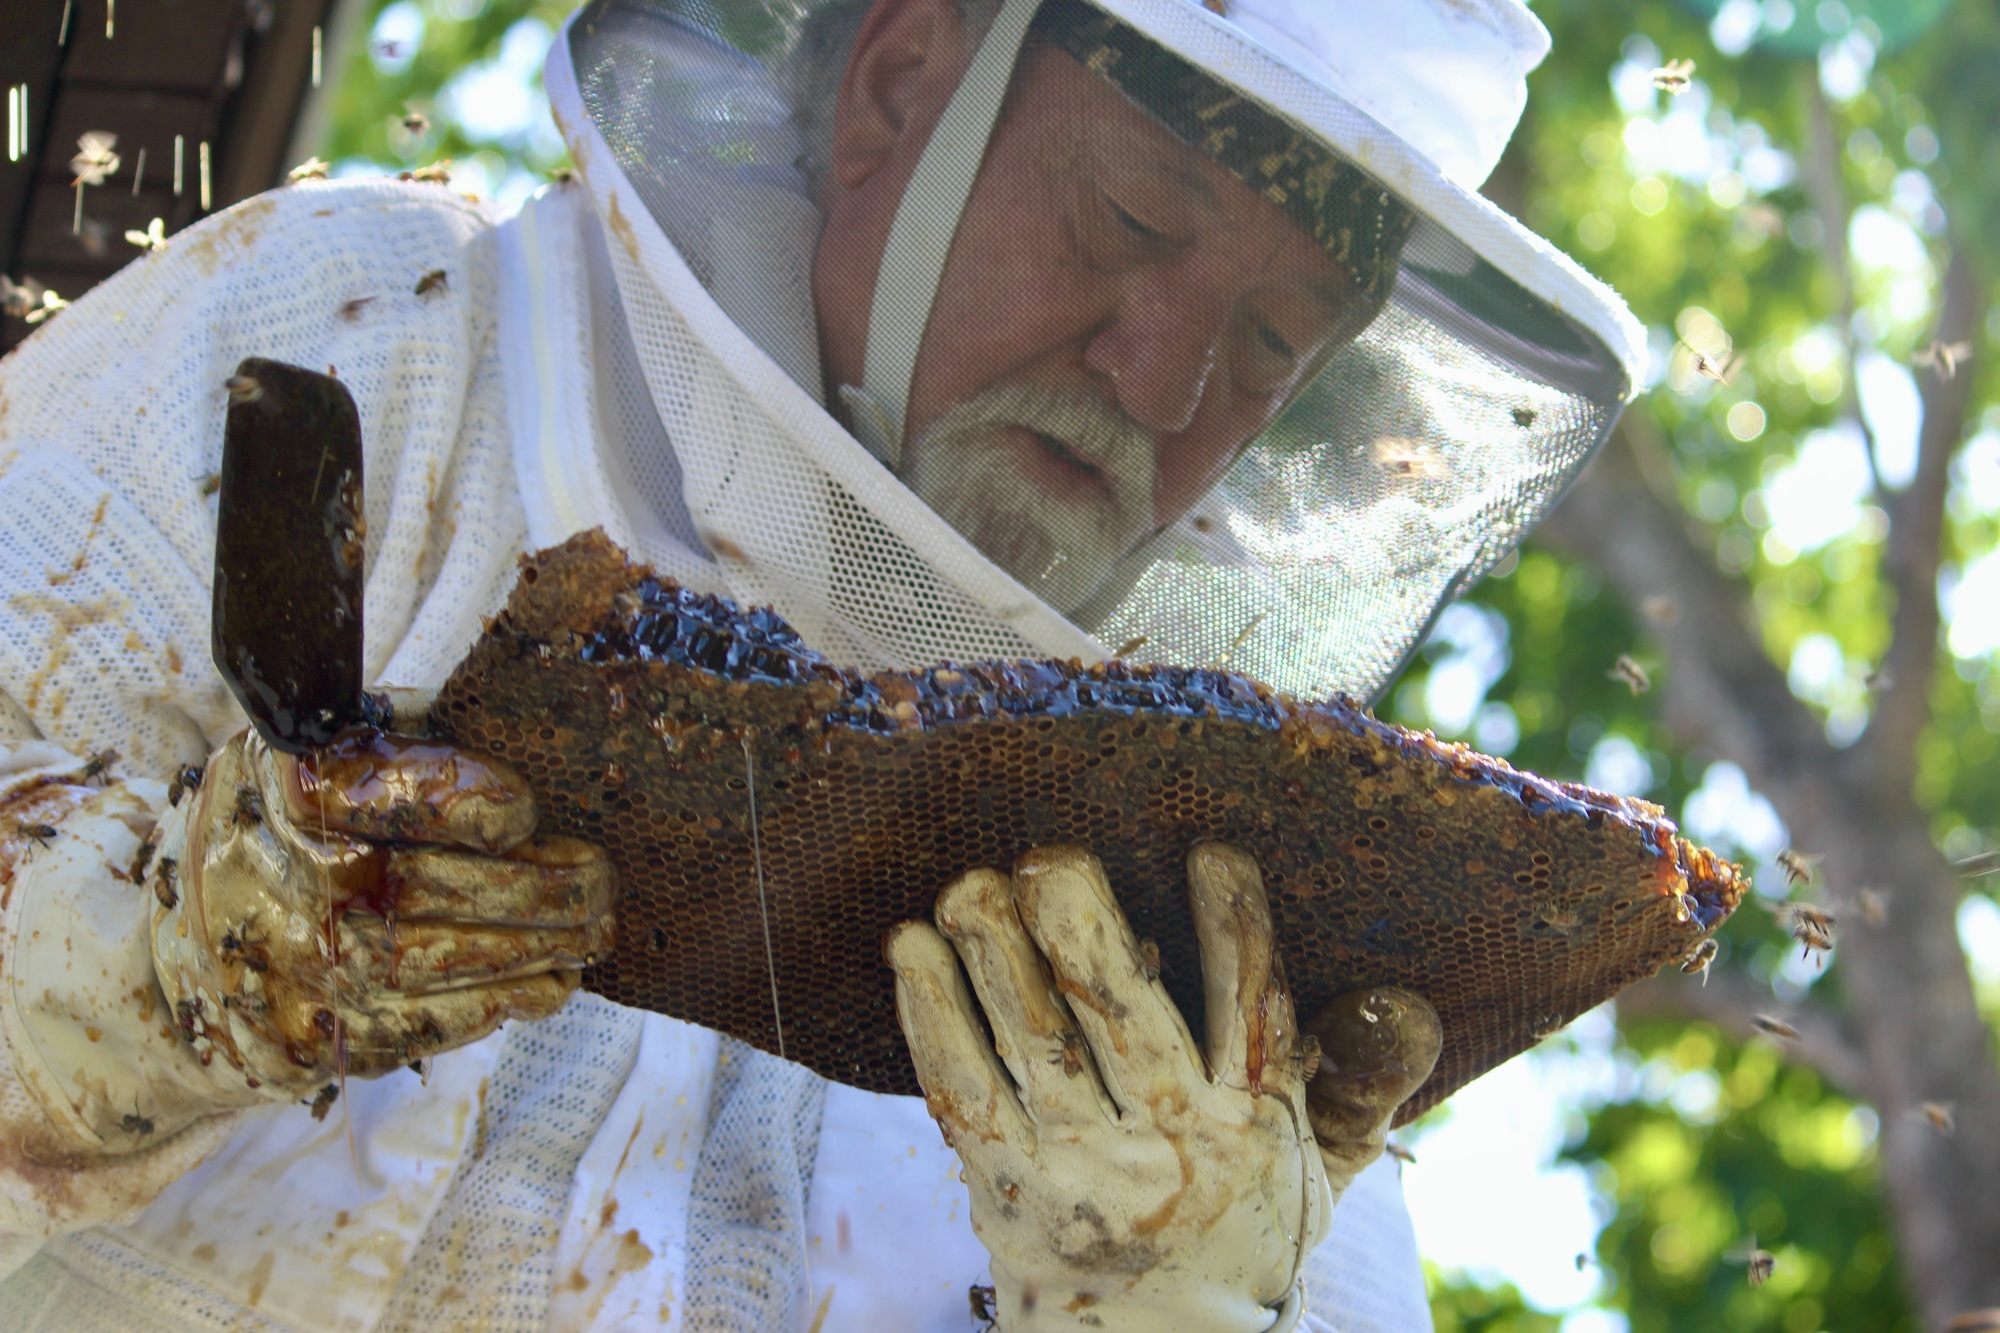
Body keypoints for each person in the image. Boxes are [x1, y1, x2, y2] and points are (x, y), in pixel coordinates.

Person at [0, 0, 1644, 1328]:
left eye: (1273, 343)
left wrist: (1182, 1310)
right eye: (1132, 218)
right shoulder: (373, 336)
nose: (1164, 384)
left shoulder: (1231, 879)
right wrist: (133, 987)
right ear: (902, 80)